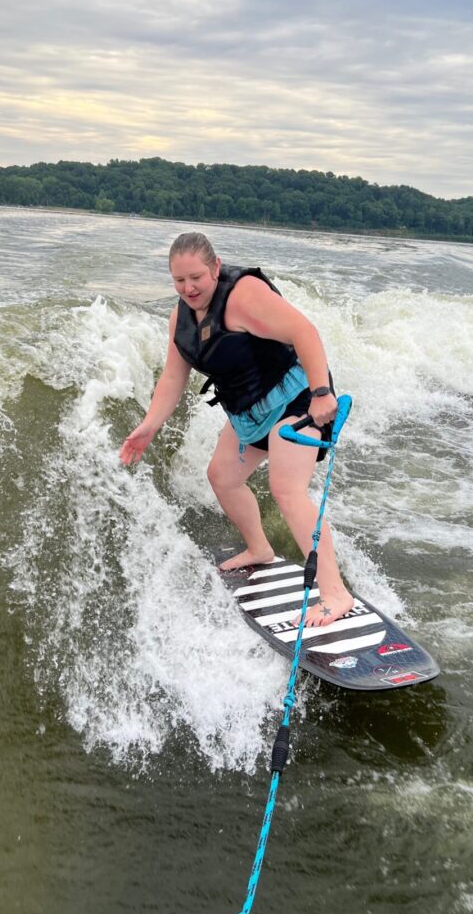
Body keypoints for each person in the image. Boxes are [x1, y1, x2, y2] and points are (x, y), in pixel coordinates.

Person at [119, 232, 354, 627]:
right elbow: (172, 379)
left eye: (196, 277)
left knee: (286, 489)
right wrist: (148, 426)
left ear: (215, 267)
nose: (188, 288)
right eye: (179, 280)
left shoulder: (243, 296)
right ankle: (259, 549)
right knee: (222, 477)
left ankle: (334, 592)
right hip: (249, 414)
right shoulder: (180, 319)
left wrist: (321, 393)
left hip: (297, 400)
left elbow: (304, 332)